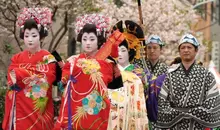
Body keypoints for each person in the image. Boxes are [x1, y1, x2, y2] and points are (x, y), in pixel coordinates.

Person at [53, 14, 123, 130]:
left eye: (92, 39)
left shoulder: (108, 63)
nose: (88, 43)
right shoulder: (73, 60)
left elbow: (116, 89)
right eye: (85, 39)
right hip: (75, 110)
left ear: (99, 40)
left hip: (98, 112)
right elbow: (63, 84)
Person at [2, 7, 57, 130]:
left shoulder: (48, 58)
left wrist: (21, 74)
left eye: (34, 35)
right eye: (27, 35)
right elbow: (11, 78)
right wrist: (24, 75)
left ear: (41, 36)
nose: (30, 39)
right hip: (19, 109)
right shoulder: (17, 58)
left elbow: (46, 78)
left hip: (38, 110)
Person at [155, 34, 220, 129]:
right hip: (174, 126)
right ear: (179, 51)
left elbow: (212, 103)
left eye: (189, 47)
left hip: (197, 126)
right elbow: (162, 103)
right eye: (183, 47)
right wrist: (179, 113)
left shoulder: (207, 75)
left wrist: (191, 112)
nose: (186, 50)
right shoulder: (170, 75)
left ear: (196, 50)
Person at [107, 20, 148, 130]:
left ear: (130, 52)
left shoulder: (138, 73)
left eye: (123, 50)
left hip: (132, 113)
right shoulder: (109, 71)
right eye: (117, 50)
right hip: (112, 114)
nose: (119, 54)